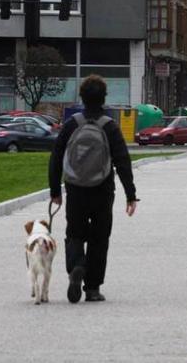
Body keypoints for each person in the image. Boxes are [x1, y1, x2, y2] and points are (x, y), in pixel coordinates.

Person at [49, 75, 138, 304]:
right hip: (102, 190)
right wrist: (131, 195)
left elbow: (57, 156)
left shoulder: (72, 124)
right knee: (99, 239)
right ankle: (92, 288)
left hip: (76, 189)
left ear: (82, 97)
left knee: (74, 234)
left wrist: (55, 190)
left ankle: (76, 265)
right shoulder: (109, 126)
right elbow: (122, 162)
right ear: (104, 98)